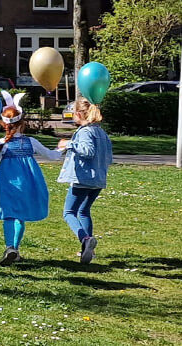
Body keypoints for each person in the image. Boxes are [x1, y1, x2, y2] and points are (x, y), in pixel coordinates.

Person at [0, 91, 64, 265]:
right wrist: (63, 147)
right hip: (28, 183)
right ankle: (16, 249)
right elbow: (52, 156)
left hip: (8, 184)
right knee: (19, 216)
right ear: (22, 123)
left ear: (3, 124)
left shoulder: (1, 143)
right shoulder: (31, 142)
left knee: (9, 215)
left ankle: (10, 246)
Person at [57, 96, 113, 264]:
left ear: (80, 114)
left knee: (69, 213)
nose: (72, 116)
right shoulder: (101, 132)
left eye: (73, 113)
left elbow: (87, 151)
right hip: (98, 179)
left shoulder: (86, 131)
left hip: (83, 179)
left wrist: (68, 144)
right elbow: (108, 156)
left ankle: (85, 239)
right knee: (83, 211)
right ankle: (88, 251)